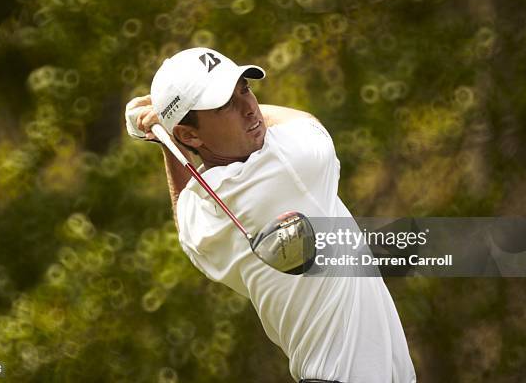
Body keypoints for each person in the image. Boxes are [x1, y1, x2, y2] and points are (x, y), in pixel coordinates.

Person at [125, 47, 416, 383]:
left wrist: (167, 138)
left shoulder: (202, 221)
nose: (250, 108)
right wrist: (165, 125)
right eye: (225, 105)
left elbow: (183, 214)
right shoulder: (292, 164)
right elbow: (305, 120)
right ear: (190, 135)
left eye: (245, 89)